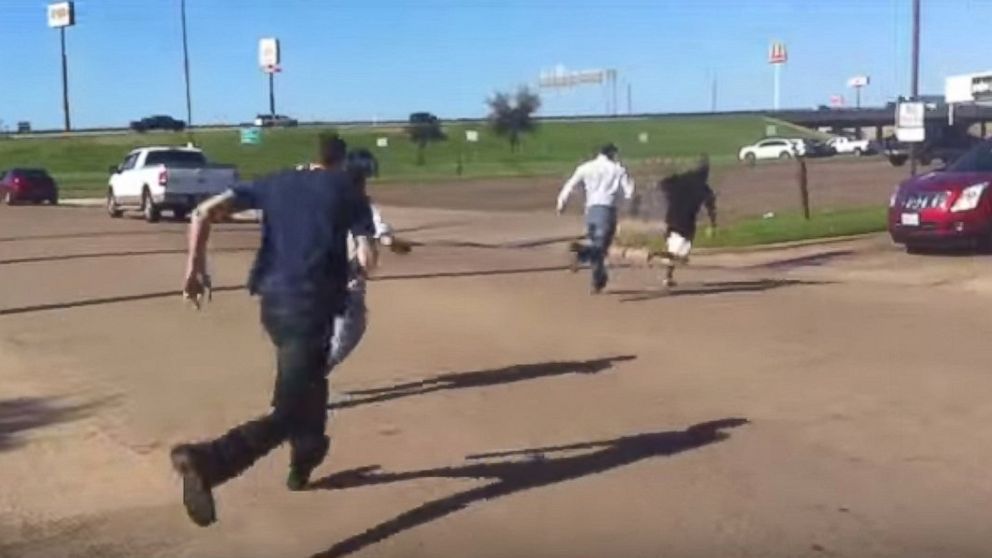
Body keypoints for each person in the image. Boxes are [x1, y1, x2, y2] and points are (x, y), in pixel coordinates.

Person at [170, 134, 374, 527]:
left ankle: (306, 458)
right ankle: (212, 460)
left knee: (308, 384)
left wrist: (194, 268)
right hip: (312, 307)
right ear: (341, 161)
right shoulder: (348, 189)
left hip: (273, 305)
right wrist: (357, 269)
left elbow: (203, 213)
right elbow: (367, 255)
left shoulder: (274, 182)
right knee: (291, 409)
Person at [556, 143, 635, 293]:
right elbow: (629, 191)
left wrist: (561, 203)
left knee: (598, 246)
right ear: (612, 154)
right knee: (600, 248)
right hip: (607, 210)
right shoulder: (618, 169)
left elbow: (570, 185)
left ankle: (598, 282)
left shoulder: (585, 167)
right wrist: (627, 204)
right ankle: (582, 255)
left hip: (591, 211)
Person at [653, 155, 718, 288]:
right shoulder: (703, 188)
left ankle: (668, 276)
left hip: (671, 219)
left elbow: (663, 184)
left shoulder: (679, 180)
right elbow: (711, 206)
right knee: (681, 256)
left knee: (675, 251)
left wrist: (670, 195)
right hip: (686, 224)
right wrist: (712, 224)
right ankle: (658, 255)